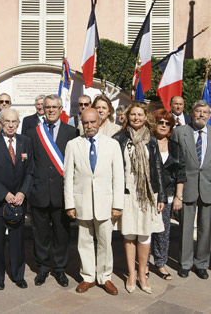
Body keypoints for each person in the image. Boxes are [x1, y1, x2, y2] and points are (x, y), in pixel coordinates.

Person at [64, 108, 124, 295]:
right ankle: (88, 276)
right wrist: (70, 204)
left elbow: (119, 176)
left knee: (105, 242)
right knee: (84, 242)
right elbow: (68, 177)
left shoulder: (112, 144)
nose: (89, 126)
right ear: (81, 123)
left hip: (106, 203)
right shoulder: (73, 145)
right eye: (86, 123)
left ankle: (105, 277)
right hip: (82, 202)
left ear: (99, 122)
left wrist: (117, 204)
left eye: (92, 122)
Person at [113, 102, 165, 294]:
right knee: (128, 234)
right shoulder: (119, 138)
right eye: (133, 114)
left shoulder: (151, 139)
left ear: (146, 117)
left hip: (148, 194)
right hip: (127, 193)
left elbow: (157, 167)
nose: (136, 118)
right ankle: (131, 274)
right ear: (127, 116)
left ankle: (143, 274)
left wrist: (162, 197)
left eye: (140, 115)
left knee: (145, 234)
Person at [26, 94, 79, 287]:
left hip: (61, 193)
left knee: (61, 234)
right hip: (39, 192)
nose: (51, 110)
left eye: (54, 107)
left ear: (61, 109)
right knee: (40, 235)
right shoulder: (33, 133)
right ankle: (42, 268)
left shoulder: (72, 131)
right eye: (47, 107)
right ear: (42, 108)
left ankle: (60, 269)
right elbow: (30, 164)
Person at [0, 108, 34, 290]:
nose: (11, 125)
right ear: (0, 123)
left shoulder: (26, 142)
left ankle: (18, 275)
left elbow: (30, 171)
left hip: (18, 202)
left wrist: (22, 193)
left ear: (18, 123)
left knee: (18, 242)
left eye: (14, 121)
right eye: (7, 121)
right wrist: (4, 193)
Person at [171, 99, 211, 280]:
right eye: (198, 111)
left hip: (209, 188)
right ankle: (185, 263)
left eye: (205, 112)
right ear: (191, 113)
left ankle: (202, 264)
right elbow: (174, 162)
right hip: (187, 187)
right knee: (185, 228)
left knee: (206, 228)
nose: (201, 115)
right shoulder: (179, 132)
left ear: (209, 116)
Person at [150, 109, 186, 281]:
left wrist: (179, 196)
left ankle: (161, 263)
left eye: (167, 123)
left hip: (169, 195)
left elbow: (181, 173)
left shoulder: (175, 147)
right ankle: (143, 264)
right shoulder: (147, 143)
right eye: (160, 122)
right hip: (149, 193)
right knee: (146, 231)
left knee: (163, 231)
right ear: (154, 124)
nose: (163, 125)